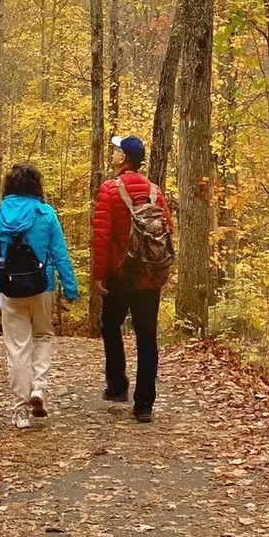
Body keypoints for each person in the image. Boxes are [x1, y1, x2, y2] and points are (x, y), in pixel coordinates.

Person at [0, 162, 78, 428]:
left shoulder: (0, 215)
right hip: (42, 287)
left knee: (17, 348)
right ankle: (39, 387)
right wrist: (70, 287)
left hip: (10, 290)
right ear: (36, 185)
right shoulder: (45, 214)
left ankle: (20, 410)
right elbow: (60, 254)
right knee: (43, 336)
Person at [91, 133, 174, 424]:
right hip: (149, 276)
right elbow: (168, 230)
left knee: (110, 325)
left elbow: (101, 237)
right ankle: (144, 405)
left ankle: (117, 386)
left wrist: (98, 275)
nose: (112, 154)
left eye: (115, 150)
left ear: (124, 158)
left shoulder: (110, 190)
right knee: (147, 337)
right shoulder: (155, 190)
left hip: (119, 274)